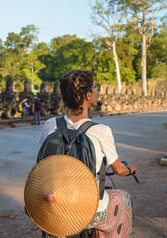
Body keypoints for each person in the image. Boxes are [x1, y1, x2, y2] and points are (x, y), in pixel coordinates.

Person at [37, 69, 137, 236]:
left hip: (54, 205)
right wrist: (131, 169)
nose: (97, 90)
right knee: (123, 199)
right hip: (88, 210)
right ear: (88, 95)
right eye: (95, 87)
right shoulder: (101, 131)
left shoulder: (50, 125)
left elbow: (43, 163)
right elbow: (119, 169)